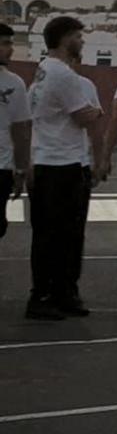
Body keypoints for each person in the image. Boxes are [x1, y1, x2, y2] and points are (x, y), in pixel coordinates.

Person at [24, 17, 107, 319]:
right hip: (62, 164)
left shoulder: (44, 71)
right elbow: (84, 116)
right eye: (77, 36)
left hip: (49, 160)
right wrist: (97, 110)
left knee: (56, 234)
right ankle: (46, 294)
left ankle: (60, 292)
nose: (81, 41)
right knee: (60, 234)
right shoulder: (64, 75)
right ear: (63, 39)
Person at [1, 25, 31, 269]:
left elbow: (21, 129)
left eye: (11, 44)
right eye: (4, 44)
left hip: (1, 164)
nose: (10, 49)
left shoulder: (14, 83)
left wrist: (20, 170)